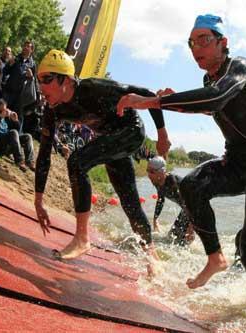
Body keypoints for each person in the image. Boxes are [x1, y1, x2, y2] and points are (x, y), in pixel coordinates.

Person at [117, 14, 246, 291]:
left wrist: (153, 101)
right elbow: (212, 106)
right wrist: (174, 98)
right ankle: (215, 257)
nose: (196, 49)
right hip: (235, 163)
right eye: (191, 43)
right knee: (191, 186)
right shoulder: (209, 79)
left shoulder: (241, 68)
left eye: (204, 40)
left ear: (222, 42)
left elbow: (216, 97)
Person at [34, 50, 171, 274]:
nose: (42, 86)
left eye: (47, 79)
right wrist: (38, 201)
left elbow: (145, 93)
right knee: (129, 202)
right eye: (39, 80)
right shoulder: (53, 110)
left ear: (66, 80)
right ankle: (153, 259)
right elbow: (43, 156)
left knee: (77, 161)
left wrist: (162, 134)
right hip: (110, 140)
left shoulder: (93, 89)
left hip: (131, 131)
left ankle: (81, 238)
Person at [146, 156, 195, 246]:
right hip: (187, 209)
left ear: (162, 171)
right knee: (171, 238)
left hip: (197, 207)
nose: (149, 175)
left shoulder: (173, 183)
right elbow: (160, 200)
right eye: (147, 171)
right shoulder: (158, 181)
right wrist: (155, 219)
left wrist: (191, 228)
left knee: (181, 242)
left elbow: (191, 203)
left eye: (152, 172)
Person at [0, 98, 35, 171]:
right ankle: (19, 161)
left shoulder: (6, 117)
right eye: (0, 110)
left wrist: (16, 121)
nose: (2, 112)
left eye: (4, 110)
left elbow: (18, 132)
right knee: (13, 132)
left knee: (28, 136)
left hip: (7, 146)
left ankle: (29, 161)